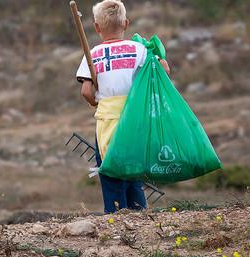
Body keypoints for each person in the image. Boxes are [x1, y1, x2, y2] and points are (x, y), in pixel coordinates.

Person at [75, 0, 170, 213]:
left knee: (111, 175)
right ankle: (139, 218)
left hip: (109, 126)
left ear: (97, 28)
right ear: (126, 23)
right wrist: (160, 58)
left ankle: (117, 223)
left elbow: (86, 91)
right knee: (134, 174)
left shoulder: (93, 55)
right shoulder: (139, 50)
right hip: (136, 124)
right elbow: (163, 69)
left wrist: (95, 101)